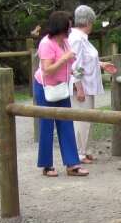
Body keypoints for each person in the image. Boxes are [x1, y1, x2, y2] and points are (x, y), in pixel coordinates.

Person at [33, 10, 84, 177]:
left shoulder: (65, 42)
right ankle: (47, 165)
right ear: (60, 27)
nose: (70, 30)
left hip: (61, 88)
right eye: (67, 27)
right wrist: (64, 59)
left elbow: (72, 65)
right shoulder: (46, 44)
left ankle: (72, 164)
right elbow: (47, 70)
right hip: (45, 88)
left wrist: (100, 65)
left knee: (66, 123)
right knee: (46, 125)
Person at [69, 4, 119, 165]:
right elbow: (75, 65)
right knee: (80, 120)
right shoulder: (76, 39)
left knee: (87, 119)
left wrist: (102, 65)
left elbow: (87, 60)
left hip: (88, 86)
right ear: (89, 21)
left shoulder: (83, 39)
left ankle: (85, 150)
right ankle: (78, 153)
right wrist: (79, 88)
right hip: (82, 87)